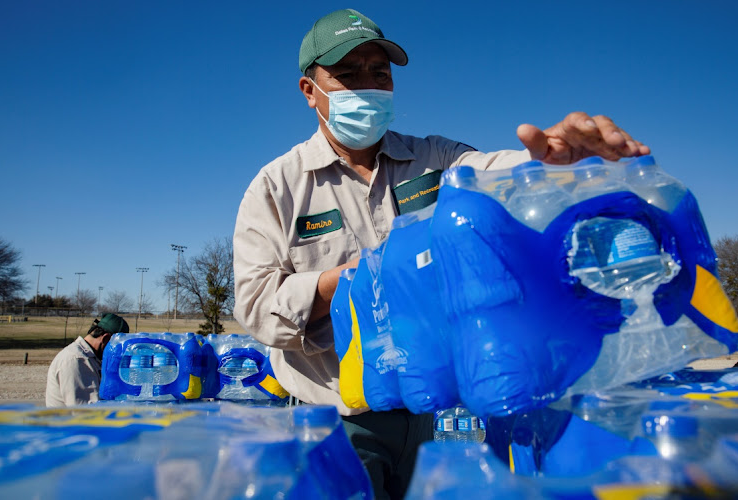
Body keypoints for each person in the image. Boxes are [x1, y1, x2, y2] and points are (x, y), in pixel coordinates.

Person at [233, 9, 650, 498]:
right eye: (347, 76)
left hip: (430, 416)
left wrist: (553, 163)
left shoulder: (438, 160)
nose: (368, 86)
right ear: (310, 91)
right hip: (332, 422)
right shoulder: (276, 187)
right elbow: (257, 308)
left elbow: (498, 174)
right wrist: (344, 282)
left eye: (379, 73)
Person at [45, 312, 129, 407]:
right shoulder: (77, 360)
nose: (118, 353)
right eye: (117, 348)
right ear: (105, 339)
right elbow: (85, 412)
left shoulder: (90, 357)